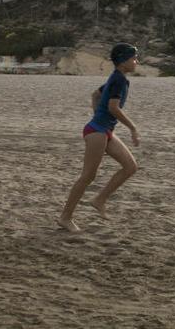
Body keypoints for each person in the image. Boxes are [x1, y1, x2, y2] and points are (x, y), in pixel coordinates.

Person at [58, 43, 140, 233]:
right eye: (133, 58)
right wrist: (133, 128)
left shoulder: (118, 77)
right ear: (123, 61)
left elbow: (95, 95)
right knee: (88, 176)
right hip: (96, 131)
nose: (136, 62)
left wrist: (98, 115)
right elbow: (113, 107)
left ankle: (100, 199)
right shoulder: (119, 80)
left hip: (103, 130)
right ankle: (65, 218)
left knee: (130, 166)